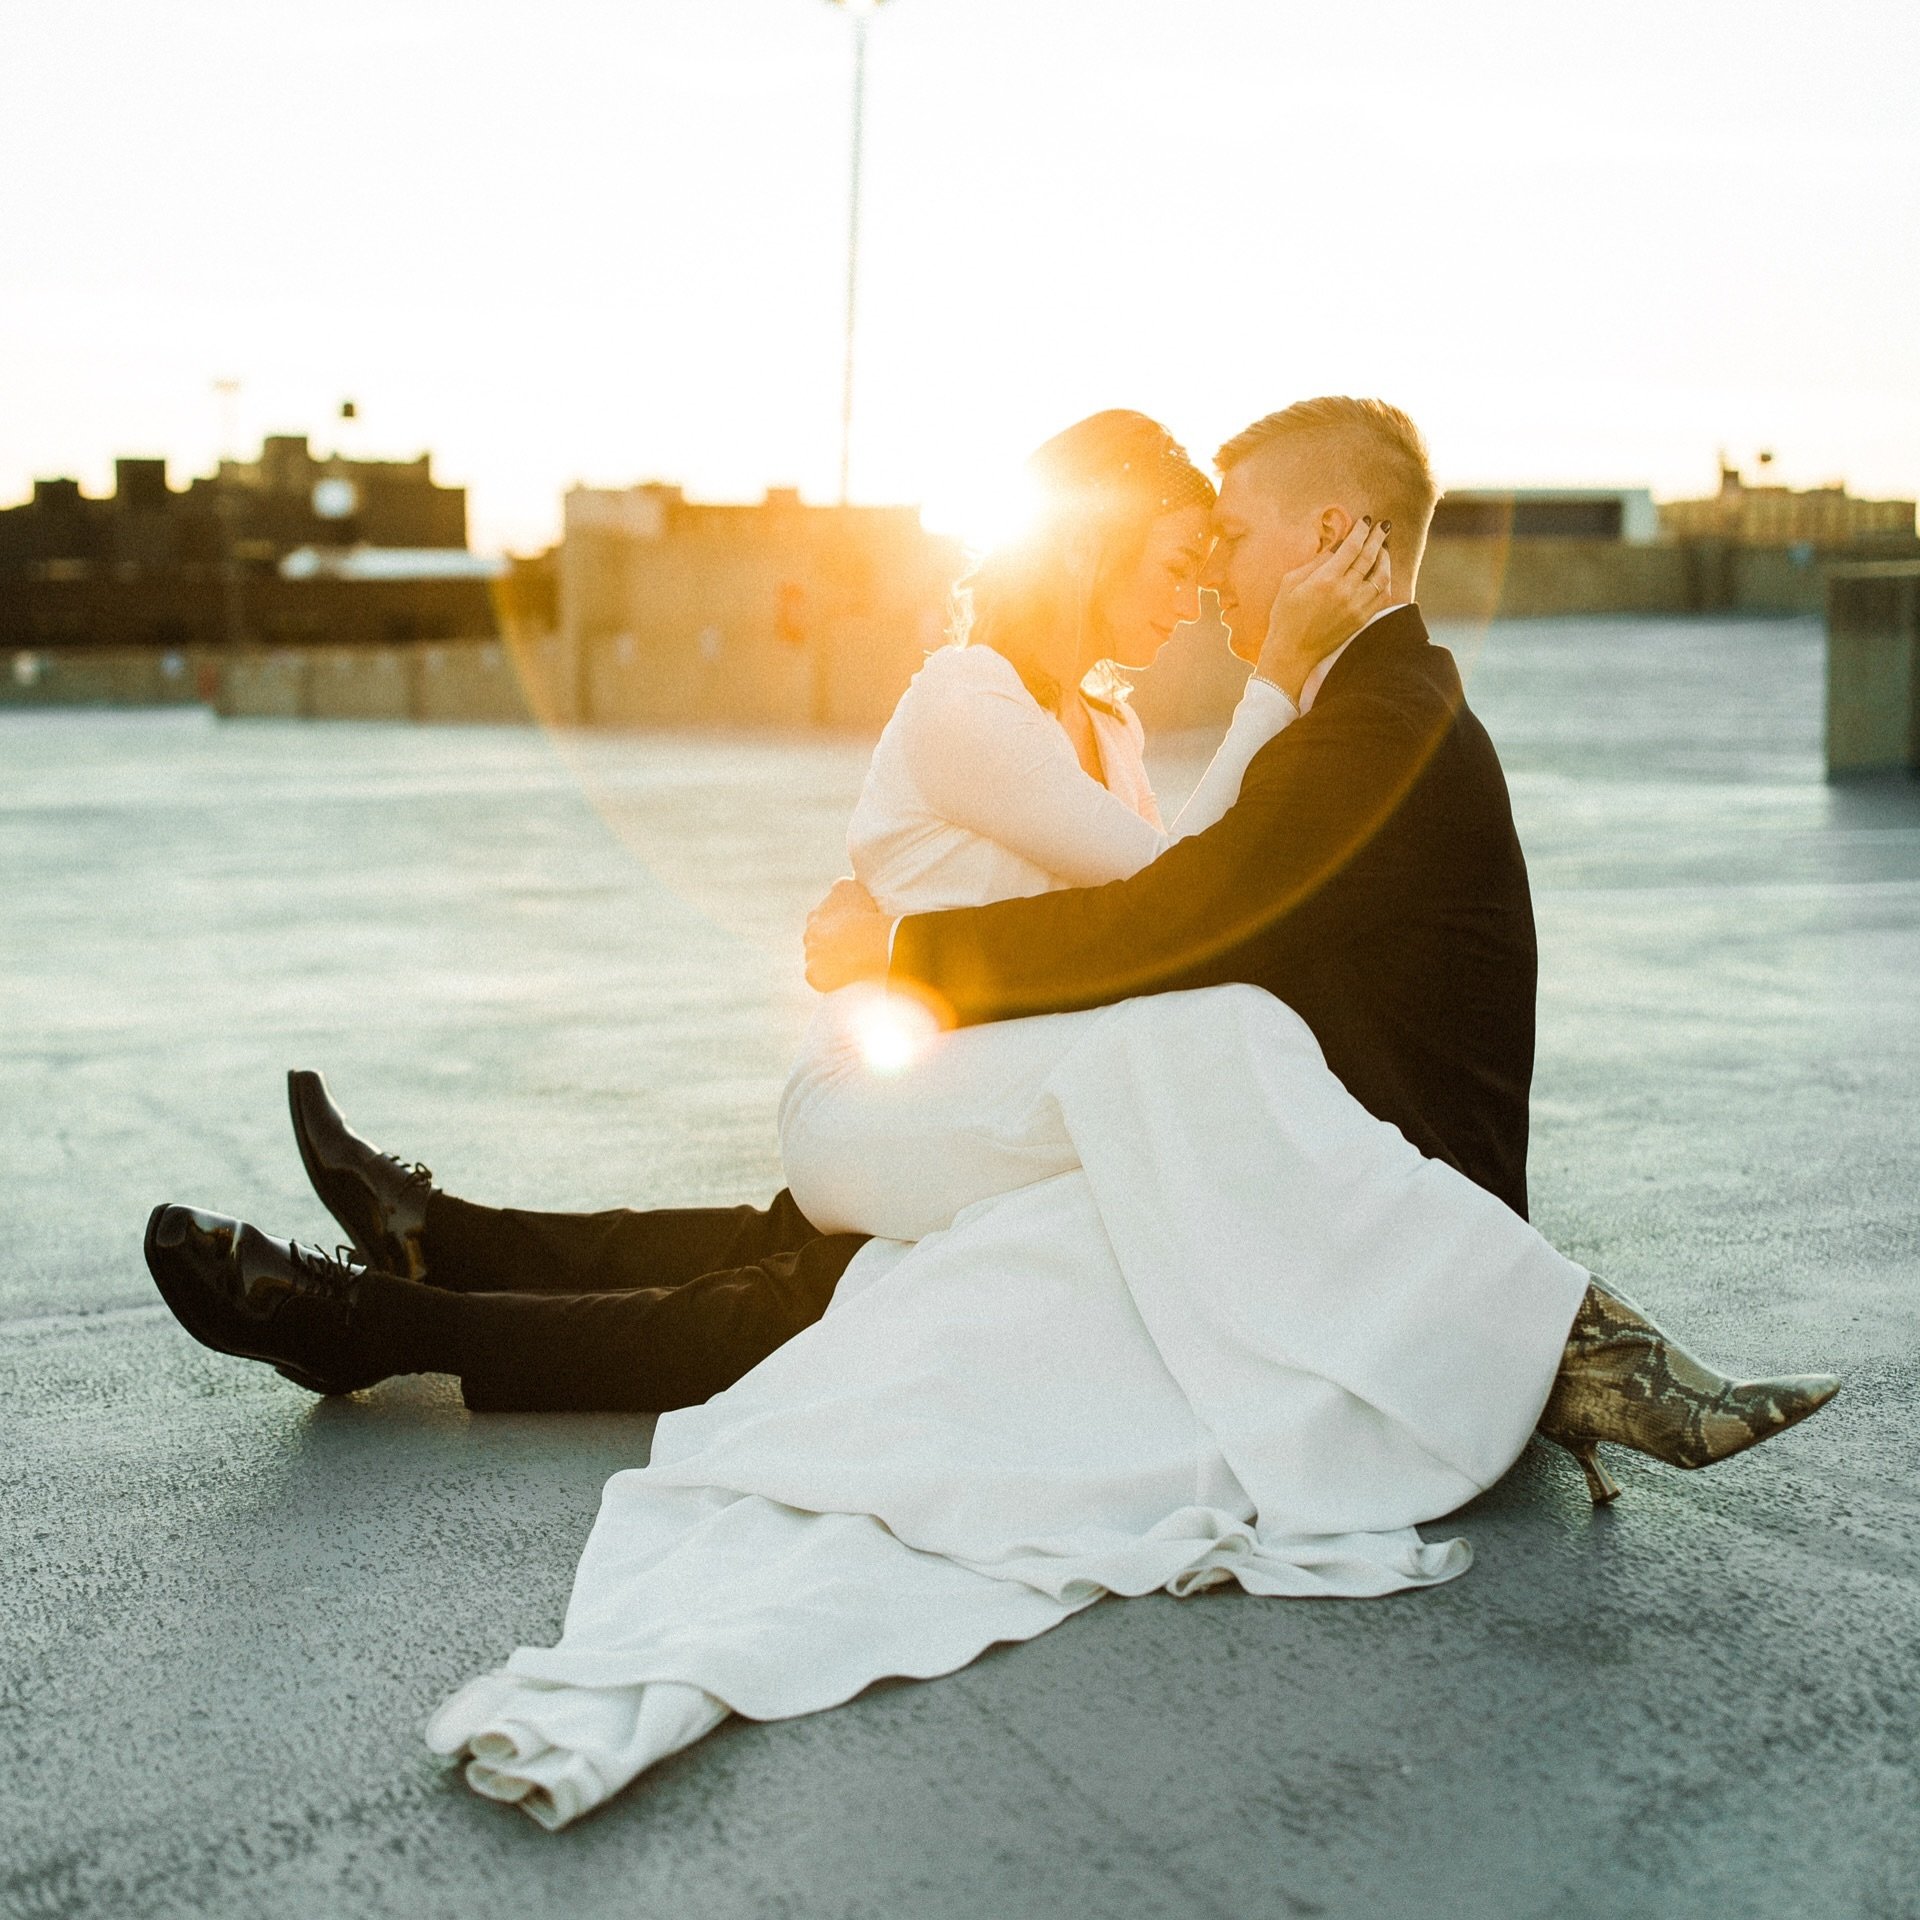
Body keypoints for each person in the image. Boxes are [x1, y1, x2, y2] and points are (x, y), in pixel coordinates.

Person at [143, 405, 1837, 1826]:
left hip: (1295, 1168)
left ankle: (402, 1284)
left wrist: (907, 947)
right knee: (840, 1270)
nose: (1211, 584)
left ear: (1334, 539)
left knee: (817, 1302)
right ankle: (395, 1294)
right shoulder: (1156, 702)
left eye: (1227, 543)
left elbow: (1172, 919)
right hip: (1057, 1115)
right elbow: (1172, 921)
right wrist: (911, 955)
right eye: (1186, 551)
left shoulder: (1349, 719)